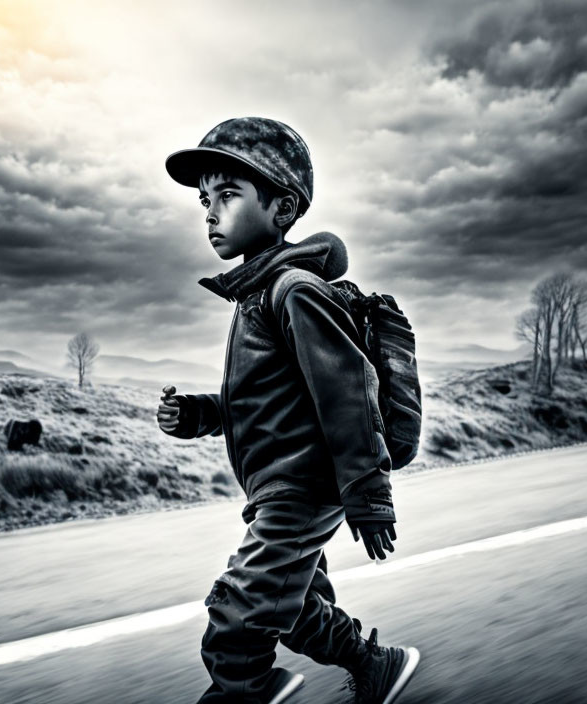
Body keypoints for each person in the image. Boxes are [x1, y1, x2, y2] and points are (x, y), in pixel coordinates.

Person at [159, 117, 420, 704]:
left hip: (301, 488)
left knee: (239, 609)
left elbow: (347, 394)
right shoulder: (256, 294)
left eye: (228, 195)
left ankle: (243, 693)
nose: (209, 212)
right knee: (293, 605)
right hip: (279, 487)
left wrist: (369, 494)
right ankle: (373, 664)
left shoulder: (293, 290)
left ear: (281, 209)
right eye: (206, 200)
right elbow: (263, 399)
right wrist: (200, 414)